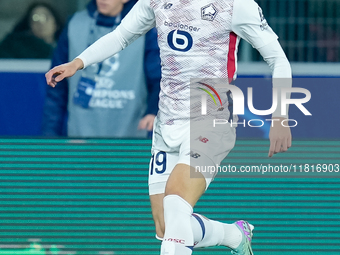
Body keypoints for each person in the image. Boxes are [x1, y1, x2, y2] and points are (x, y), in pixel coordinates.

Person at [46, 0, 292, 254]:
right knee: (165, 226)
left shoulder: (236, 5)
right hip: (167, 123)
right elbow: (120, 36)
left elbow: (278, 60)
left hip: (211, 119)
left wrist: (281, 117)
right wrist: (78, 62)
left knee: (175, 203)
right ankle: (233, 234)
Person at [42, 0, 161, 137]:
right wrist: (49, 135)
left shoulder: (146, 26)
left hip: (129, 138)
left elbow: (159, 78)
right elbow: (56, 90)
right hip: (79, 137)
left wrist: (153, 111)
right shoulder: (75, 24)